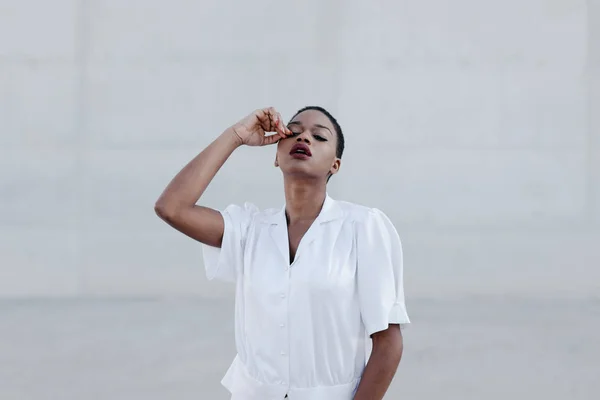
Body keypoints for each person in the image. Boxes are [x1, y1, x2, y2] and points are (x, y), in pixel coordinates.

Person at [154, 106, 410, 400]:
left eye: (319, 136)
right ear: (276, 156)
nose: (304, 138)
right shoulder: (249, 229)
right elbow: (171, 207)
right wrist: (235, 136)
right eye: (294, 130)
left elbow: (388, 342)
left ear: (335, 165)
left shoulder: (363, 227)